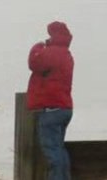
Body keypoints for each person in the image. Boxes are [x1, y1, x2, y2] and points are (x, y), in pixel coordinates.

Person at [27, 21, 74, 180]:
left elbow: (33, 62)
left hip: (51, 110)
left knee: (52, 153)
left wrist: (38, 46)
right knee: (59, 150)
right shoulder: (67, 54)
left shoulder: (52, 52)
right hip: (64, 107)